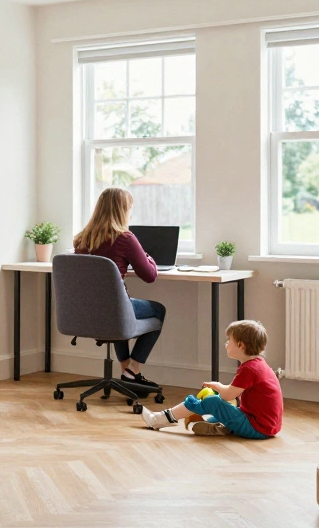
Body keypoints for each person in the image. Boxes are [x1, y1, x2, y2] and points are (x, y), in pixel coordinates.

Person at [73, 187, 166, 391]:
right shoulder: (125, 238)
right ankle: (132, 370)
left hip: (87, 311)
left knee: (116, 311)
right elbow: (149, 276)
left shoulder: (80, 239)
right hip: (114, 310)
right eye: (129, 208)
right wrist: (149, 258)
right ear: (122, 210)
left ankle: (126, 372)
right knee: (158, 310)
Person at [142, 320, 283, 438]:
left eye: (229, 341)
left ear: (241, 345)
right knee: (220, 410)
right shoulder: (259, 365)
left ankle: (160, 419)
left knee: (213, 401)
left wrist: (218, 386)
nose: (226, 344)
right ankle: (213, 425)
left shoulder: (249, 369)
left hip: (257, 427)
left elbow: (227, 395)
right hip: (267, 426)